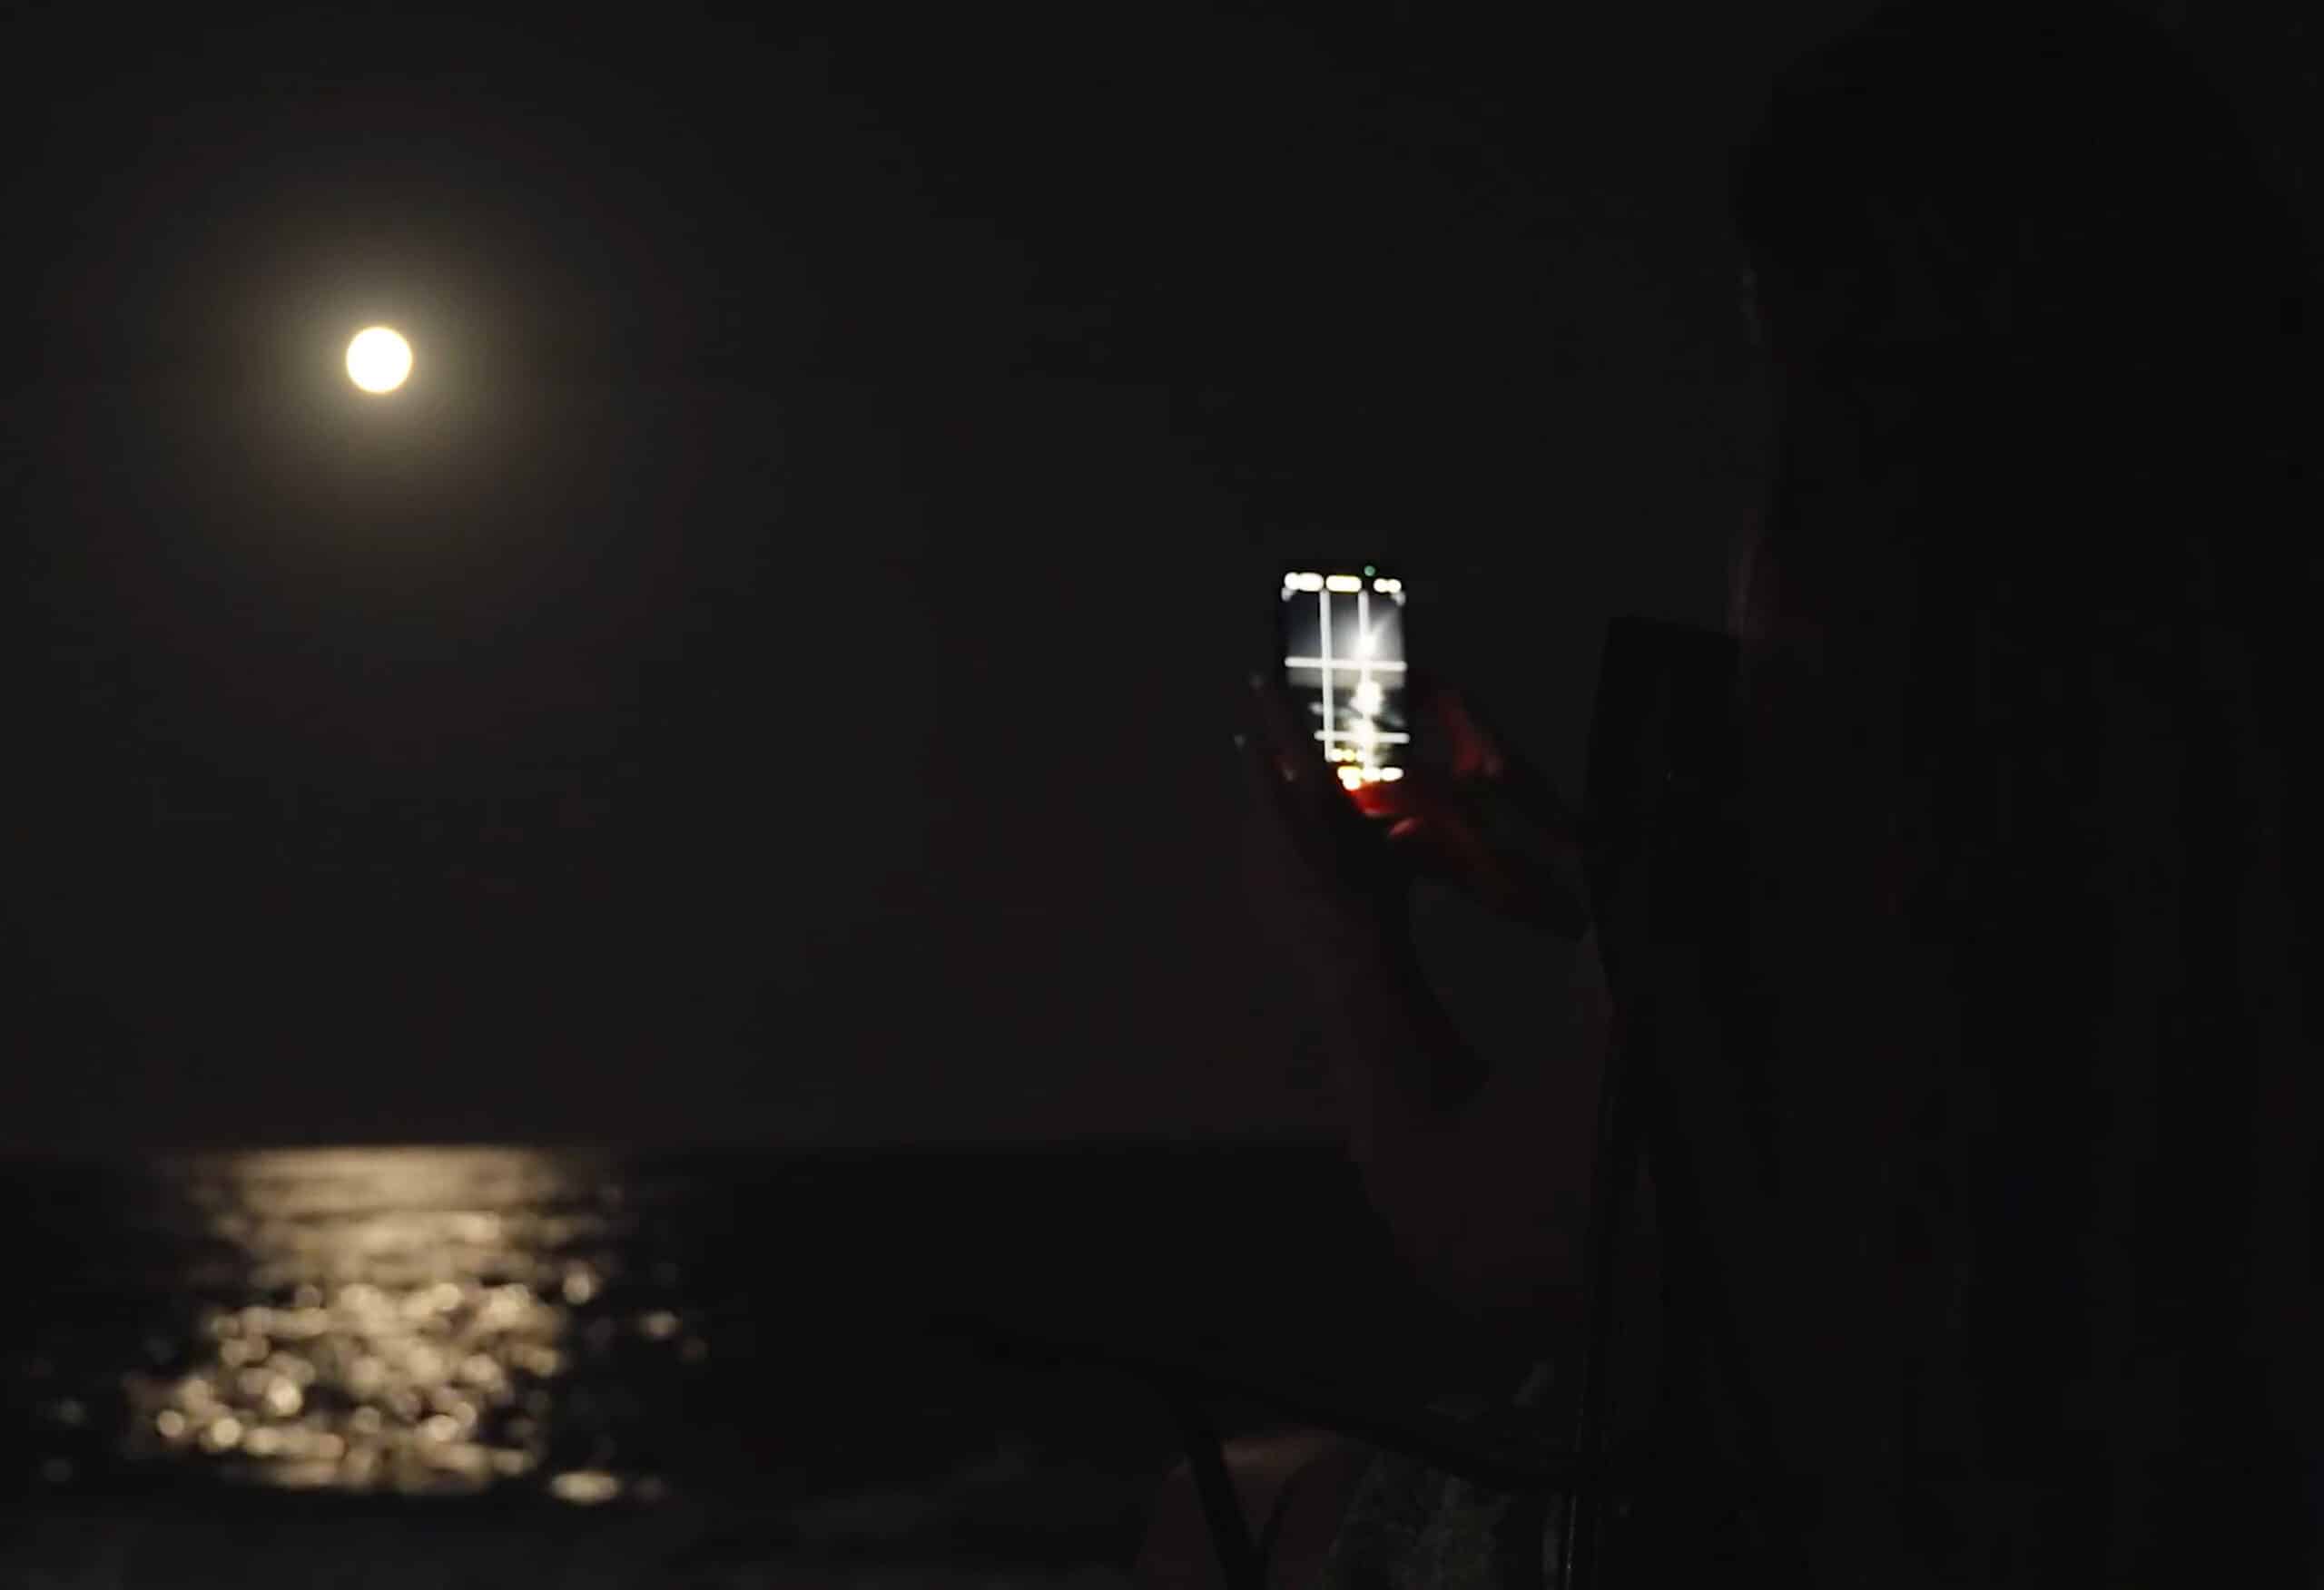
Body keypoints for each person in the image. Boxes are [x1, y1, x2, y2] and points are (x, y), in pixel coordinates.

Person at [1148, 0, 2324, 1583]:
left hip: (1828, 1509)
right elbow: (1864, 1002)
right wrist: (1554, 858)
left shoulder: (1826, 738)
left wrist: (1345, 938)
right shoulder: (2206, 725)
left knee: (1212, 1508)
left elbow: (1498, 1241)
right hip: (2174, 1486)